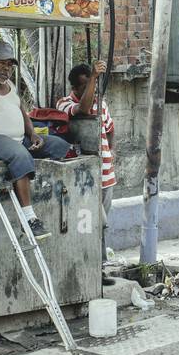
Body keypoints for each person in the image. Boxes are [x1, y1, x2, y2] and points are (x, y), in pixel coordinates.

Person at [0, 40, 71, 239]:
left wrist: (33, 133)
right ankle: (29, 219)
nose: (7, 69)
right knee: (20, 154)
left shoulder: (9, 86)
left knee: (60, 145)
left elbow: (21, 112)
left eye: (10, 65)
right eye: (2, 63)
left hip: (16, 139)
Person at [56, 60, 116, 276]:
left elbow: (110, 129)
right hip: (84, 179)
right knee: (90, 224)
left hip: (106, 176)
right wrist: (93, 77)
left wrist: (111, 153)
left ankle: (99, 269)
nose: (91, 87)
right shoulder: (64, 103)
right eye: (85, 84)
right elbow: (83, 108)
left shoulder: (102, 103)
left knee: (102, 227)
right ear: (75, 88)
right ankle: (87, 269)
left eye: (92, 83)